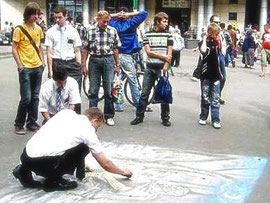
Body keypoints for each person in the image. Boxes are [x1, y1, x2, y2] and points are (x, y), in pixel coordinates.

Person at [12, 108, 132, 192]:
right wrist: (123, 172)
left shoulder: (66, 113)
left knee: (69, 143)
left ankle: (23, 171)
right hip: (42, 163)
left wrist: (82, 165)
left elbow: (64, 139)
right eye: (98, 126)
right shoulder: (88, 130)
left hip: (26, 156)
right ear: (95, 120)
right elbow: (105, 164)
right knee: (85, 146)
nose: (97, 129)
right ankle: (53, 182)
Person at [130, 12, 173, 127]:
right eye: (164, 21)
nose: (166, 24)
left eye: (166, 21)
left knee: (164, 94)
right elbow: (148, 52)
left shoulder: (168, 35)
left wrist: (165, 65)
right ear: (157, 22)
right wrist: (164, 57)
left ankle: (165, 118)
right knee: (144, 93)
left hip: (162, 68)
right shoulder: (147, 35)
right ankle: (139, 116)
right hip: (150, 68)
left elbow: (170, 52)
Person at [82, 10, 121, 126]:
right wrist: (83, 65)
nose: (105, 23)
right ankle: (92, 116)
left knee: (108, 90)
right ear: (98, 19)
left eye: (107, 21)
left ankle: (109, 115)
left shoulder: (112, 31)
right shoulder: (90, 31)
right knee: (93, 90)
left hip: (108, 60)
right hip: (94, 60)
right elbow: (85, 49)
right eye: (104, 21)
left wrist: (117, 64)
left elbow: (115, 49)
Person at [12, 2, 45, 135]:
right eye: (34, 14)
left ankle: (31, 122)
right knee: (26, 97)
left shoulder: (38, 29)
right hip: (25, 67)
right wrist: (20, 65)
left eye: (38, 14)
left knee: (36, 97)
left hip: (37, 67)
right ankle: (19, 123)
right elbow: (14, 49)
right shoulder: (19, 29)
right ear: (28, 14)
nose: (36, 17)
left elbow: (40, 47)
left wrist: (43, 62)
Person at [45, 7, 82, 114]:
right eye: (55, 17)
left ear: (65, 16)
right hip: (58, 63)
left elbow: (77, 50)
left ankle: (75, 117)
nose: (57, 20)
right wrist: (50, 70)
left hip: (72, 63)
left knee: (75, 93)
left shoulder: (73, 31)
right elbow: (49, 52)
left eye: (60, 17)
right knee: (58, 92)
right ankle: (57, 116)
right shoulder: (50, 32)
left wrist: (79, 66)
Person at [109, 7, 148, 111]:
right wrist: (130, 14)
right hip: (127, 55)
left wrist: (116, 14)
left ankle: (117, 105)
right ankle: (138, 104)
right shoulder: (131, 24)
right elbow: (144, 13)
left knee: (117, 80)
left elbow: (103, 16)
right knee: (133, 80)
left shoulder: (113, 24)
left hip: (115, 55)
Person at [198, 23, 223, 129]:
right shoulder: (203, 43)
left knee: (215, 98)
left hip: (216, 74)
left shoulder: (218, 43)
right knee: (205, 97)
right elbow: (203, 50)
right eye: (213, 33)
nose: (215, 35)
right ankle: (203, 117)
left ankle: (216, 120)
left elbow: (223, 54)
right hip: (205, 74)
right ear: (209, 32)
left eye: (217, 33)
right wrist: (204, 38)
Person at [210, 15, 226, 105]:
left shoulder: (221, 32)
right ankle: (212, 95)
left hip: (221, 55)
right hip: (212, 56)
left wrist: (224, 54)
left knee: (223, 77)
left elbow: (224, 43)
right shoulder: (209, 32)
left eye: (219, 22)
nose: (218, 24)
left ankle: (217, 94)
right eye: (216, 22)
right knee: (212, 78)